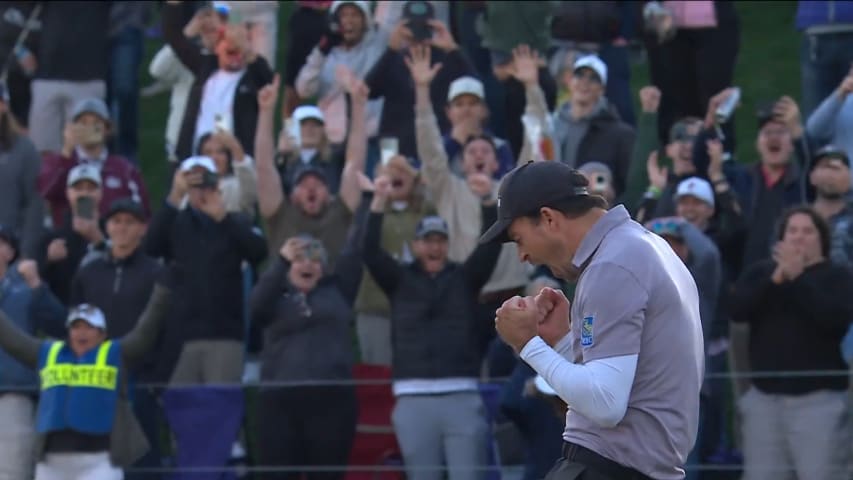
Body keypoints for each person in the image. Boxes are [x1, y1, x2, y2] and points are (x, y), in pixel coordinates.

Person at [484, 160, 704, 479]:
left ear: (548, 218)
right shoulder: (640, 246)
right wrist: (561, 342)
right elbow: (629, 386)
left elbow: (605, 404)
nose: (522, 256)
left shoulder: (612, 265)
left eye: (519, 239)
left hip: (609, 468)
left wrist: (527, 343)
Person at [363, 175, 502, 480]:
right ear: (416, 245)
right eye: (428, 241)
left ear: (447, 245)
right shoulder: (399, 281)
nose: (434, 247)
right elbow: (370, 252)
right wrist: (376, 204)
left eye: (440, 241)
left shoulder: (464, 279)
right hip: (412, 397)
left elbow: (490, 249)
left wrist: (490, 202)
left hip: (462, 394)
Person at [0, 274, 173, 480]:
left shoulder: (116, 354)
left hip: (99, 462)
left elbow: (145, 332)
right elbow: (11, 339)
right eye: (76, 326)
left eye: (89, 327)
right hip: (50, 464)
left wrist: (162, 292)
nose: (82, 332)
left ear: (102, 334)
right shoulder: (48, 353)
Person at [730, 206, 853, 480]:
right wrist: (776, 280)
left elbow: (835, 319)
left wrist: (798, 278)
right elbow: (737, 310)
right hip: (764, 401)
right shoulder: (761, 273)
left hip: (819, 403)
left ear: (822, 238)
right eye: (792, 231)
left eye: (807, 231)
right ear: (781, 238)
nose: (799, 237)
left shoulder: (838, 276)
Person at [250, 234, 361, 480]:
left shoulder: (338, 292)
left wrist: (369, 202)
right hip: (279, 402)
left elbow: (356, 248)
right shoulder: (273, 297)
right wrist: (280, 261)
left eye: (315, 259)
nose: (308, 265)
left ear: (323, 269)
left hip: (332, 402)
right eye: (299, 259)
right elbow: (256, 307)